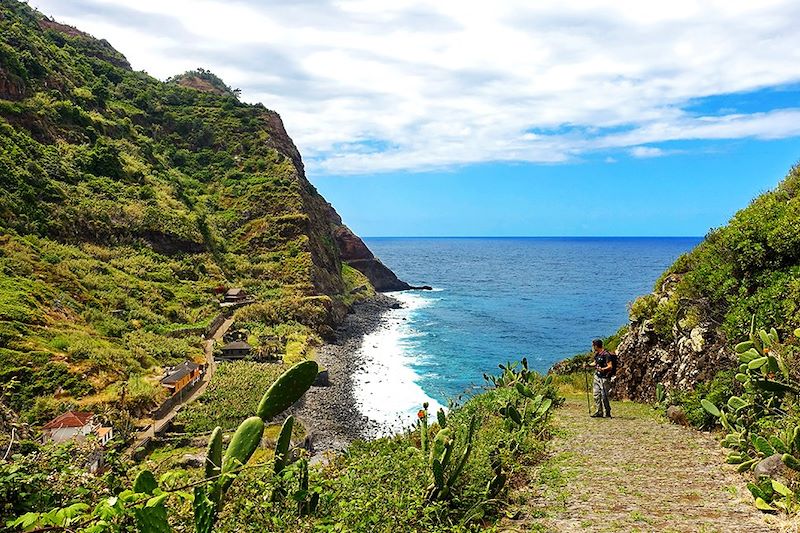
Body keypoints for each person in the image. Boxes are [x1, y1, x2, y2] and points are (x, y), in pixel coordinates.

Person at [590, 339, 616, 418]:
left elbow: (610, 366)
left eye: (593, 345)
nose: (592, 347)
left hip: (604, 378)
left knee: (604, 396)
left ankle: (607, 411)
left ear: (596, 346)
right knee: (596, 394)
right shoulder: (597, 354)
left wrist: (603, 369)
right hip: (597, 376)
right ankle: (599, 411)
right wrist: (588, 365)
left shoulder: (606, 354)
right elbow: (595, 363)